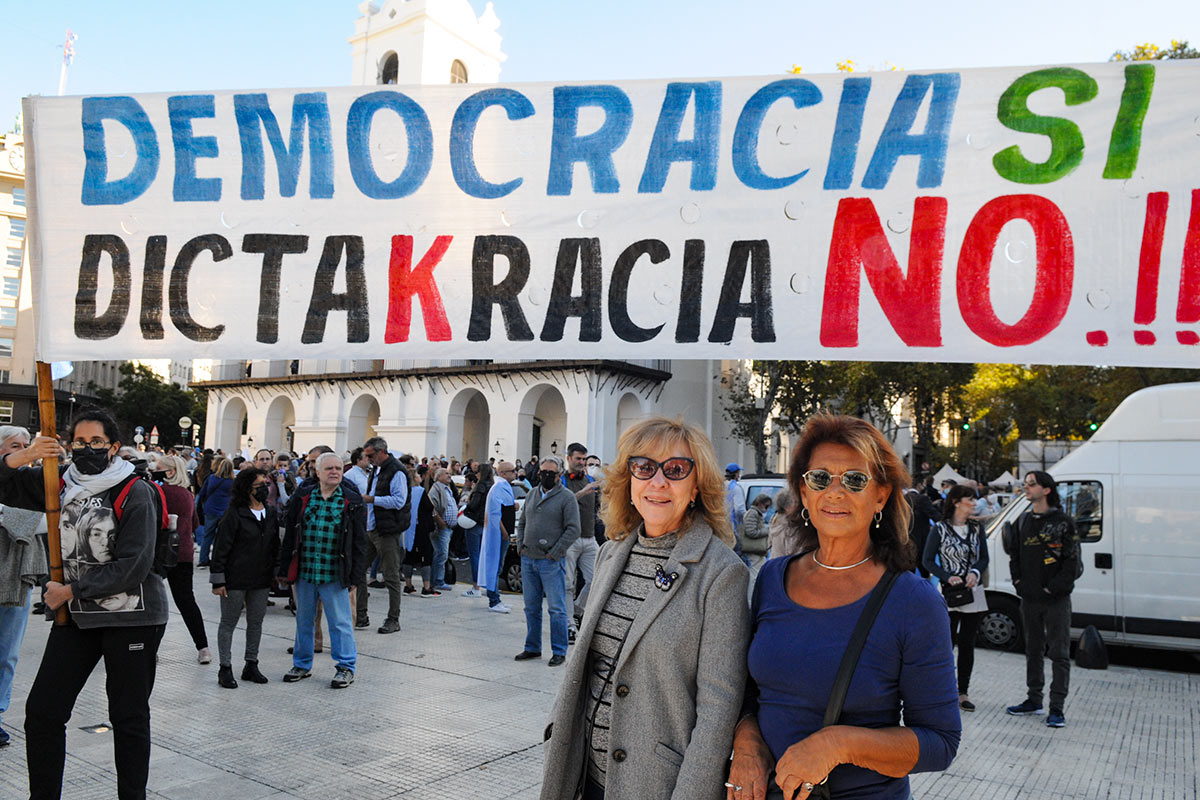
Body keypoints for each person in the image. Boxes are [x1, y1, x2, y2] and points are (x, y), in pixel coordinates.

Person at [728, 414, 960, 800]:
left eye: (854, 480)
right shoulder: (771, 578)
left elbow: (940, 742)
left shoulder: (914, 602)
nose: (835, 492)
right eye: (820, 479)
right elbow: (751, 689)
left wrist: (837, 744)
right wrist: (747, 740)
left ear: (881, 496)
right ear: (804, 494)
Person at [541, 417, 750, 800]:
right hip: (584, 775)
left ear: (696, 486)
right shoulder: (610, 553)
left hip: (657, 785)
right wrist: (557, 724)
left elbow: (718, 711)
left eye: (676, 470)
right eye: (644, 467)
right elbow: (587, 660)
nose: (658, 482)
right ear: (629, 480)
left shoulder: (722, 573)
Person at [0, 407, 169, 799]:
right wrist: (26, 455)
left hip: (132, 617)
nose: (87, 448)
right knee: (43, 712)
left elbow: (134, 564)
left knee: (127, 717)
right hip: (78, 618)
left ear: (113, 447)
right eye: (79, 441)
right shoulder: (59, 481)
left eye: (96, 441)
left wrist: (70, 591)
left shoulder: (135, 491)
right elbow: (6, 485)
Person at [278, 452, 367, 688]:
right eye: (329, 468)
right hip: (305, 572)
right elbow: (291, 535)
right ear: (317, 472)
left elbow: (360, 542)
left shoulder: (352, 500)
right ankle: (301, 664)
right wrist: (284, 568)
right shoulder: (303, 497)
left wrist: (356, 576)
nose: (335, 472)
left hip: (334, 574)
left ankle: (345, 667)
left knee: (340, 623)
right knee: (304, 621)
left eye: (338, 468)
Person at [1006, 471, 1078, 728]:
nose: (1026, 487)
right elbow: (1014, 555)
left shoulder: (1064, 522)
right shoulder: (1023, 520)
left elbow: (1072, 562)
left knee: (1059, 653)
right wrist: (1018, 583)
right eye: (1025, 484)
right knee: (1033, 650)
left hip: (1056, 600)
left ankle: (1056, 708)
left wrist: (1052, 589)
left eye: (1032, 484)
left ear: (1046, 490)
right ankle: (1033, 700)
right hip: (1029, 598)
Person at [922, 484, 990, 713]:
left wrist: (975, 572)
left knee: (968, 644)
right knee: (945, 643)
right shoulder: (940, 529)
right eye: (970, 499)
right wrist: (946, 576)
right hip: (948, 592)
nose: (974, 503)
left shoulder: (977, 528)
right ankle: (942, 689)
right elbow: (927, 560)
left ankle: (963, 692)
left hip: (972, 591)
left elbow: (984, 558)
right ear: (956, 502)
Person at [0, 427, 48, 748]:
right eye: (14, 446)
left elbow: (45, 521)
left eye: (25, 445)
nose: (22, 450)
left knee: (7, 653)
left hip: (18, 578)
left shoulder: (33, 482)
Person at [209, 467, 278, 689]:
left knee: (256, 622)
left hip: (261, 577)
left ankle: (251, 664)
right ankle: (225, 667)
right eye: (260, 486)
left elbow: (274, 545)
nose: (264, 489)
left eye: (266, 485)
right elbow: (221, 549)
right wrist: (218, 580)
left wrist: (277, 572)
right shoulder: (234, 514)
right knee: (228, 622)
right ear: (248, 489)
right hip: (235, 578)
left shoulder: (270, 512)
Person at [515, 457, 580, 666]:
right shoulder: (532, 493)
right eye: (543, 472)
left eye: (551, 473)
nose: (546, 476)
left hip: (551, 561)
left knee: (556, 608)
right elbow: (523, 521)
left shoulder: (567, 498)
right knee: (531, 607)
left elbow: (573, 529)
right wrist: (521, 545)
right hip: (529, 558)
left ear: (559, 475)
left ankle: (559, 650)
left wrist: (555, 552)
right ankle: (532, 647)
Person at [151, 454, 211, 665]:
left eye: (158, 467)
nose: (154, 470)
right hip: (183, 552)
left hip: (160, 553)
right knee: (186, 601)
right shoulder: (186, 494)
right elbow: (195, 523)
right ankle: (203, 648)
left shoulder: (158, 492)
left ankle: (151, 649)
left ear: (169, 472)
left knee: (154, 602)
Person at [357, 437, 409, 634]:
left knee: (391, 575)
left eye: (370, 455)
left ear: (381, 452)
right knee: (358, 569)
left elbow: (399, 501)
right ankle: (361, 615)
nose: (368, 459)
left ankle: (393, 619)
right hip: (372, 526)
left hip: (387, 530)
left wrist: (372, 499)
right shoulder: (377, 469)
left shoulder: (396, 471)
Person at [561, 443, 598, 643]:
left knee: (596, 580)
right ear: (569, 458)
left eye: (584, 459)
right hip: (570, 539)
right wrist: (584, 491)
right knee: (568, 584)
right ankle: (569, 625)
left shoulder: (590, 479)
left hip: (590, 538)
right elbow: (563, 504)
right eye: (578, 459)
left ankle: (577, 610)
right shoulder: (562, 480)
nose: (582, 463)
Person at [480, 461, 516, 613]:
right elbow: (494, 513)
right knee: (494, 565)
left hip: (505, 533)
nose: (515, 473)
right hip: (500, 534)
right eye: (512, 471)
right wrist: (503, 531)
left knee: (499, 566)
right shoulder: (498, 487)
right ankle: (493, 599)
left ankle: (496, 598)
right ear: (502, 473)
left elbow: (506, 507)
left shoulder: (504, 487)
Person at [461, 463, 493, 597]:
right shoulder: (491, 486)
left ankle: (476, 587)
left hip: (474, 523)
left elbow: (474, 504)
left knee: (474, 555)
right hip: (485, 523)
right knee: (484, 556)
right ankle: (487, 585)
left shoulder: (480, 486)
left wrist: (466, 507)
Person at [195, 457, 234, 566]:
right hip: (225, 511)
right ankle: (219, 559)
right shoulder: (232, 482)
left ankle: (203, 559)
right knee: (222, 537)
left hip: (210, 509)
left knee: (207, 535)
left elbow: (202, 493)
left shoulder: (211, 478)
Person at [427, 468, 457, 590]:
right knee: (441, 554)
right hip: (441, 528)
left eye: (450, 473)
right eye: (446, 474)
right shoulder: (436, 489)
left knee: (442, 554)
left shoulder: (446, 489)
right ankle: (437, 581)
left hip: (448, 528)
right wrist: (440, 522)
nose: (449, 475)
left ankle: (437, 580)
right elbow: (432, 508)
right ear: (438, 477)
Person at [766, 488, 801, 558]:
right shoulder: (789, 523)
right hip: (785, 562)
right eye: (795, 503)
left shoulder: (775, 518)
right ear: (787, 507)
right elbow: (791, 550)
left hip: (775, 559)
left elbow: (769, 543)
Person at [741, 492, 771, 571]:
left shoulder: (755, 513)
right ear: (760, 503)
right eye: (766, 506)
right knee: (755, 571)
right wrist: (767, 531)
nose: (767, 509)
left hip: (756, 550)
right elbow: (751, 532)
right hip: (753, 549)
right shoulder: (753, 513)